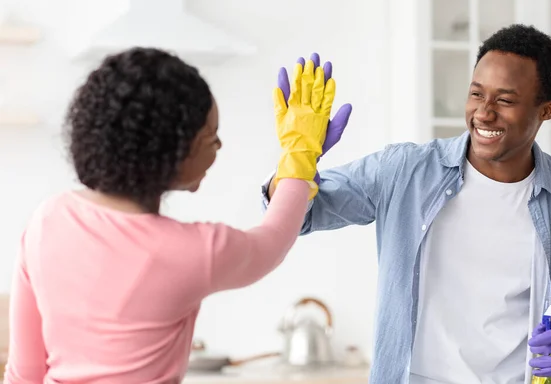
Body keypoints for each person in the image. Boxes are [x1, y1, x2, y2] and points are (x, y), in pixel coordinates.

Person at [262, 25, 551, 383]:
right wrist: (298, 159)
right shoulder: (404, 171)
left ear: (546, 110)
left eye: (505, 100)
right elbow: (302, 215)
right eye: (476, 93)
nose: (484, 113)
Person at [5, 47, 343, 383]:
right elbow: (272, 241)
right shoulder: (194, 251)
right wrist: (300, 157)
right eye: (211, 136)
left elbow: (24, 373)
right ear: (174, 152)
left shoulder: (45, 220)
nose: (219, 146)